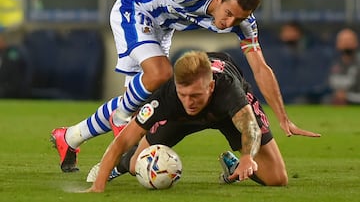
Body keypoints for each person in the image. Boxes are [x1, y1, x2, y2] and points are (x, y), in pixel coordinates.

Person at [51, 0, 310, 172]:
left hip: (163, 27)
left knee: (150, 102)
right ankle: (120, 119)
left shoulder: (243, 23)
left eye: (239, 18)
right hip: (134, 9)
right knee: (159, 76)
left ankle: (71, 137)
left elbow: (260, 68)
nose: (230, 22)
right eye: (228, 13)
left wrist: (283, 118)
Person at [83, 51, 320, 193]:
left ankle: (234, 164)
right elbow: (123, 139)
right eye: (183, 94)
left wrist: (248, 157)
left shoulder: (228, 90)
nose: (189, 101)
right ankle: (120, 167)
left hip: (226, 116)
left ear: (211, 86)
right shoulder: (166, 97)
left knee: (277, 179)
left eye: (195, 95)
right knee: (137, 164)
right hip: (179, 120)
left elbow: (249, 126)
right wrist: (99, 185)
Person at [327, 28, 360, 105]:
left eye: (349, 40)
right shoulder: (331, 63)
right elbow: (325, 87)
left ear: (356, 43)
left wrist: (347, 97)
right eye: (343, 40)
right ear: (337, 44)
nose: (346, 43)